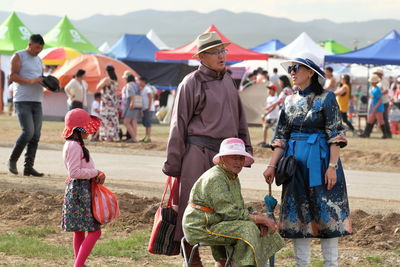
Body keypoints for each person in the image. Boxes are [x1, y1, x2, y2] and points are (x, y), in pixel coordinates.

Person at [162, 31, 252, 266]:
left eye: (223, 50)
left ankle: (223, 259)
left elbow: (240, 119)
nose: (222, 55)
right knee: (192, 207)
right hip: (196, 152)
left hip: (225, 156)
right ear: (202, 56)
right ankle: (190, 258)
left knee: (226, 208)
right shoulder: (191, 83)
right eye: (216, 51)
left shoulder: (228, 81)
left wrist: (246, 150)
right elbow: (178, 123)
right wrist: (173, 162)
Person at [263, 54, 352, 267]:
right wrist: (272, 166)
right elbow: (281, 137)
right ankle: (301, 264)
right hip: (294, 166)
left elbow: (335, 137)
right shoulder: (288, 100)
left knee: (326, 213)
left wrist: (332, 167)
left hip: (321, 163)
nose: (292, 72)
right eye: (290, 69)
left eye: (297, 68)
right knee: (297, 214)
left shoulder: (327, 98)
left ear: (311, 72)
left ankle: (331, 264)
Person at [183, 138, 284, 267]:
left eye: (241, 158)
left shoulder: (231, 175)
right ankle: (239, 264)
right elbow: (229, 212)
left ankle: (236, 263)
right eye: (234, 158)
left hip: (217, 221)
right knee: (248, 228)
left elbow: (237, 208)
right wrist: (260, 220)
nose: (239, 162)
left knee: (257, 227)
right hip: (201, 225)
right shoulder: (216, 178)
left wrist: (258, 217)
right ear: (223, 158)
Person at [61, 108, 104, 267]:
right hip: (80, 192)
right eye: (86, 127)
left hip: (79, 190)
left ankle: (79, 263)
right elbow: (74, 172)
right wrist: (95, 172)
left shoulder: (74, 144)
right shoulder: (74, 146)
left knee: (79, 231)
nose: (89, 131)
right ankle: (78, 265)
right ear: (79, 130)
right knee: (95, 231)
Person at [7, 34, 45, 177]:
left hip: (37, 100)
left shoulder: (39, 59)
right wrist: (31, 81)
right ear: (29, 44)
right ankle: (12, 160)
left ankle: (28, 167)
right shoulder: (18, 56)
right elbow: (12, 76)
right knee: (28, 132)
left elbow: (38, 78)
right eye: (36, 48)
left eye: (40, 48)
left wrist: (47, 83)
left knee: (35, 136)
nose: (38, 51)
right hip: (22, 100)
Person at [96, 65, 119, 142]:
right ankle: (112, 136)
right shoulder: (116, 81)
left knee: (106, 120)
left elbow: (97, 88)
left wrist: (101, 81)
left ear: (106, 71)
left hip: (106, 103)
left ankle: (107, 136)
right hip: (113, 103)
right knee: (112, 120)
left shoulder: (106, 80)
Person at [372, 68, 392, 138]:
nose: (375, 74)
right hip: (379, 102)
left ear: (380, 74)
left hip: (384, 102)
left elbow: (386, 91)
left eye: (376, 73)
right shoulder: (378, 81)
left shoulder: (384, 81)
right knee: (379, 118)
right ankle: (386, 134)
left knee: (384, 118)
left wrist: (378, 94)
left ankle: (388, 134)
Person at [121, 71, 140, 142]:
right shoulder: (136, 85)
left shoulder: (129, 85)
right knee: (133, 122)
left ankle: (133, 138)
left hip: (131, 105)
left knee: (126, 122)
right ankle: (134, 137)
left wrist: (132, 103)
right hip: (136, 106)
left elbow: (132, 95)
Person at [138, 76, 155, 143]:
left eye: (140, 81)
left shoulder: (147, 88)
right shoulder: (143, 89)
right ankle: (146, 136)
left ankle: (148, 137)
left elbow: (150, 97)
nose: (139, 83)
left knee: (148, 123)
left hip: (148, 109)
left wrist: (149, 107)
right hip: (145, 108)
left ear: (143, 82)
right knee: (145, 123)